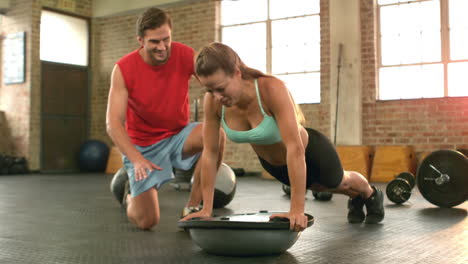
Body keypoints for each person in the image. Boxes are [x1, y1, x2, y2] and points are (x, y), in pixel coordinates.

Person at [181, 42, 384, 231]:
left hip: (311, 153)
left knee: (342, 182)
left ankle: (370, 194)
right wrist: (205, 207)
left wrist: (296, 209)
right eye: (209, 90)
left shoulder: (271, 88)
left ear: (236, 73)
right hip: (276, 166)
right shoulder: (213, 102)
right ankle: (357, 199)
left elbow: (295, 148)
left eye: (220, 88)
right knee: (323, 187)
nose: (216, 96)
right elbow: (210, 154)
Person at [106, 8, 225, 230]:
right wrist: (136, 158)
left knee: (215, 135)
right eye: (154, 42)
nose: (162, 47)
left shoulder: (185, 54)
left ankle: (192, 206)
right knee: (147, 221)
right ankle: (131, 197)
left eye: (166, 39)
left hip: (179, 136)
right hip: (144, 148)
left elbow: (212, 81)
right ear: (140, 40)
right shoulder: (123, 69)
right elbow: (113, 123)